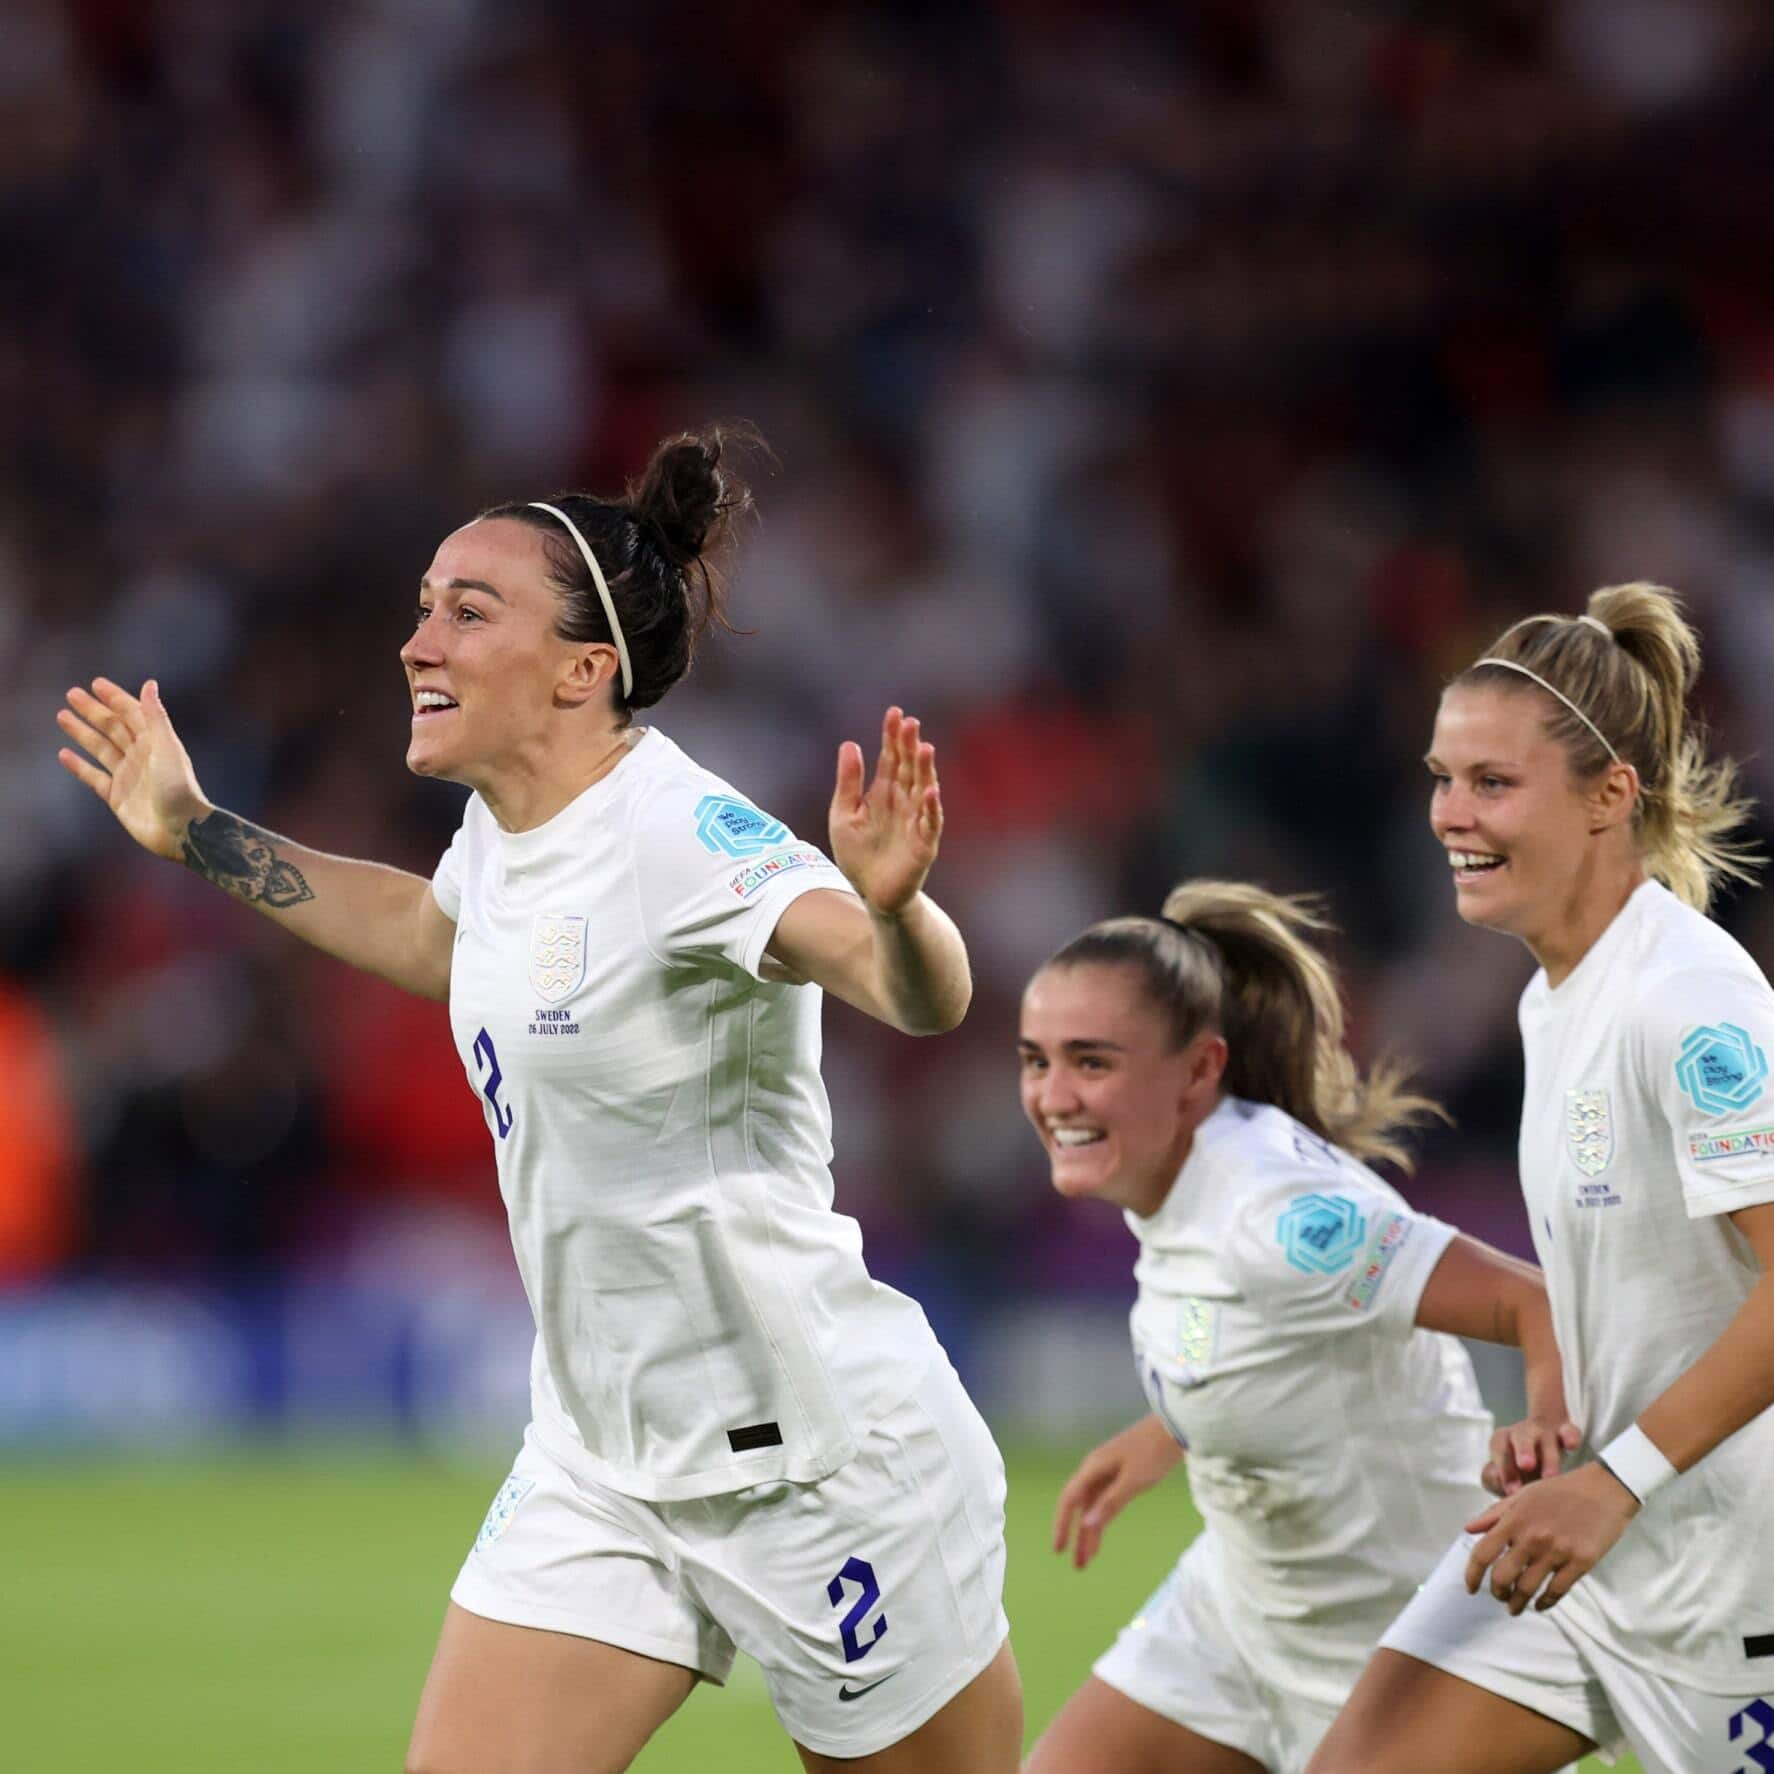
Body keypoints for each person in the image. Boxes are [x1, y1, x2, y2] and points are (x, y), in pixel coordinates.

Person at [54, 427, 1021, 1774]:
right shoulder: (506, 829)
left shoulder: (680, 835)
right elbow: (434, 934)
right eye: (420, 607)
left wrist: (898, 903)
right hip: (602, 1456)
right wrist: (200, 830)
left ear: (585, 668)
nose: (417, 641)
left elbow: (915, 993)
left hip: (815, 1459)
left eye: (467, 609)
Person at [1306, 584, 1774, 1774]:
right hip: (1599, 1545)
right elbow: (1647, 1277)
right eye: (1441, 774)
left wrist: (1610, 1482)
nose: (1448, 814)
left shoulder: (1689, 1004)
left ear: (1611, 794)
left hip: (1731, 1581)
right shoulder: (1551, 992)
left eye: (1492, 783)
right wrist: (1557, 1408)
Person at [1016, 880, 1575, 1774]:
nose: (1054, 1097)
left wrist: (1548, 1432)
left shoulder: (1279, 1217)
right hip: (1241, 1612)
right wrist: (1172, 1429)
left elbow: (1537, 1302)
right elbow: (1261, 1333)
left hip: (1402, 1640)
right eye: (1036, 1060)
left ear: (1198, 1070)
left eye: (1091, 1062)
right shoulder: (1169, 1168)